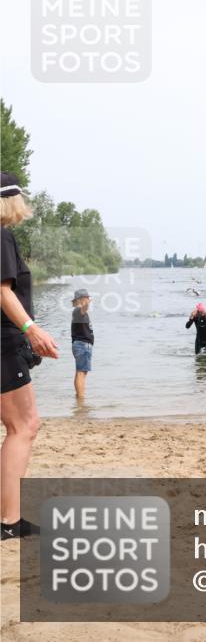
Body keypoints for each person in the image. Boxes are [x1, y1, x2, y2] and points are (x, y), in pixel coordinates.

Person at [0, 171, 59, 541]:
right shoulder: (1, 236)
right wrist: (32, 329)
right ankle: (9, 522)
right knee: (24, 426)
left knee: (18, 426)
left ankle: (9, 518)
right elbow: (2, 291)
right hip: (3, 344)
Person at [71, 289, 94, 401]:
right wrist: (86, 305)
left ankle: (79, 398)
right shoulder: (78, 311)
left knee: (80, 372)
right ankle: (81, 400)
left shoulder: (77, 312)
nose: (89, 299)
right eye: (87, 297)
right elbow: (83, 309)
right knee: (81, 373)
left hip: (81, 345)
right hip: (82, 345)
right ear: (81, 299)